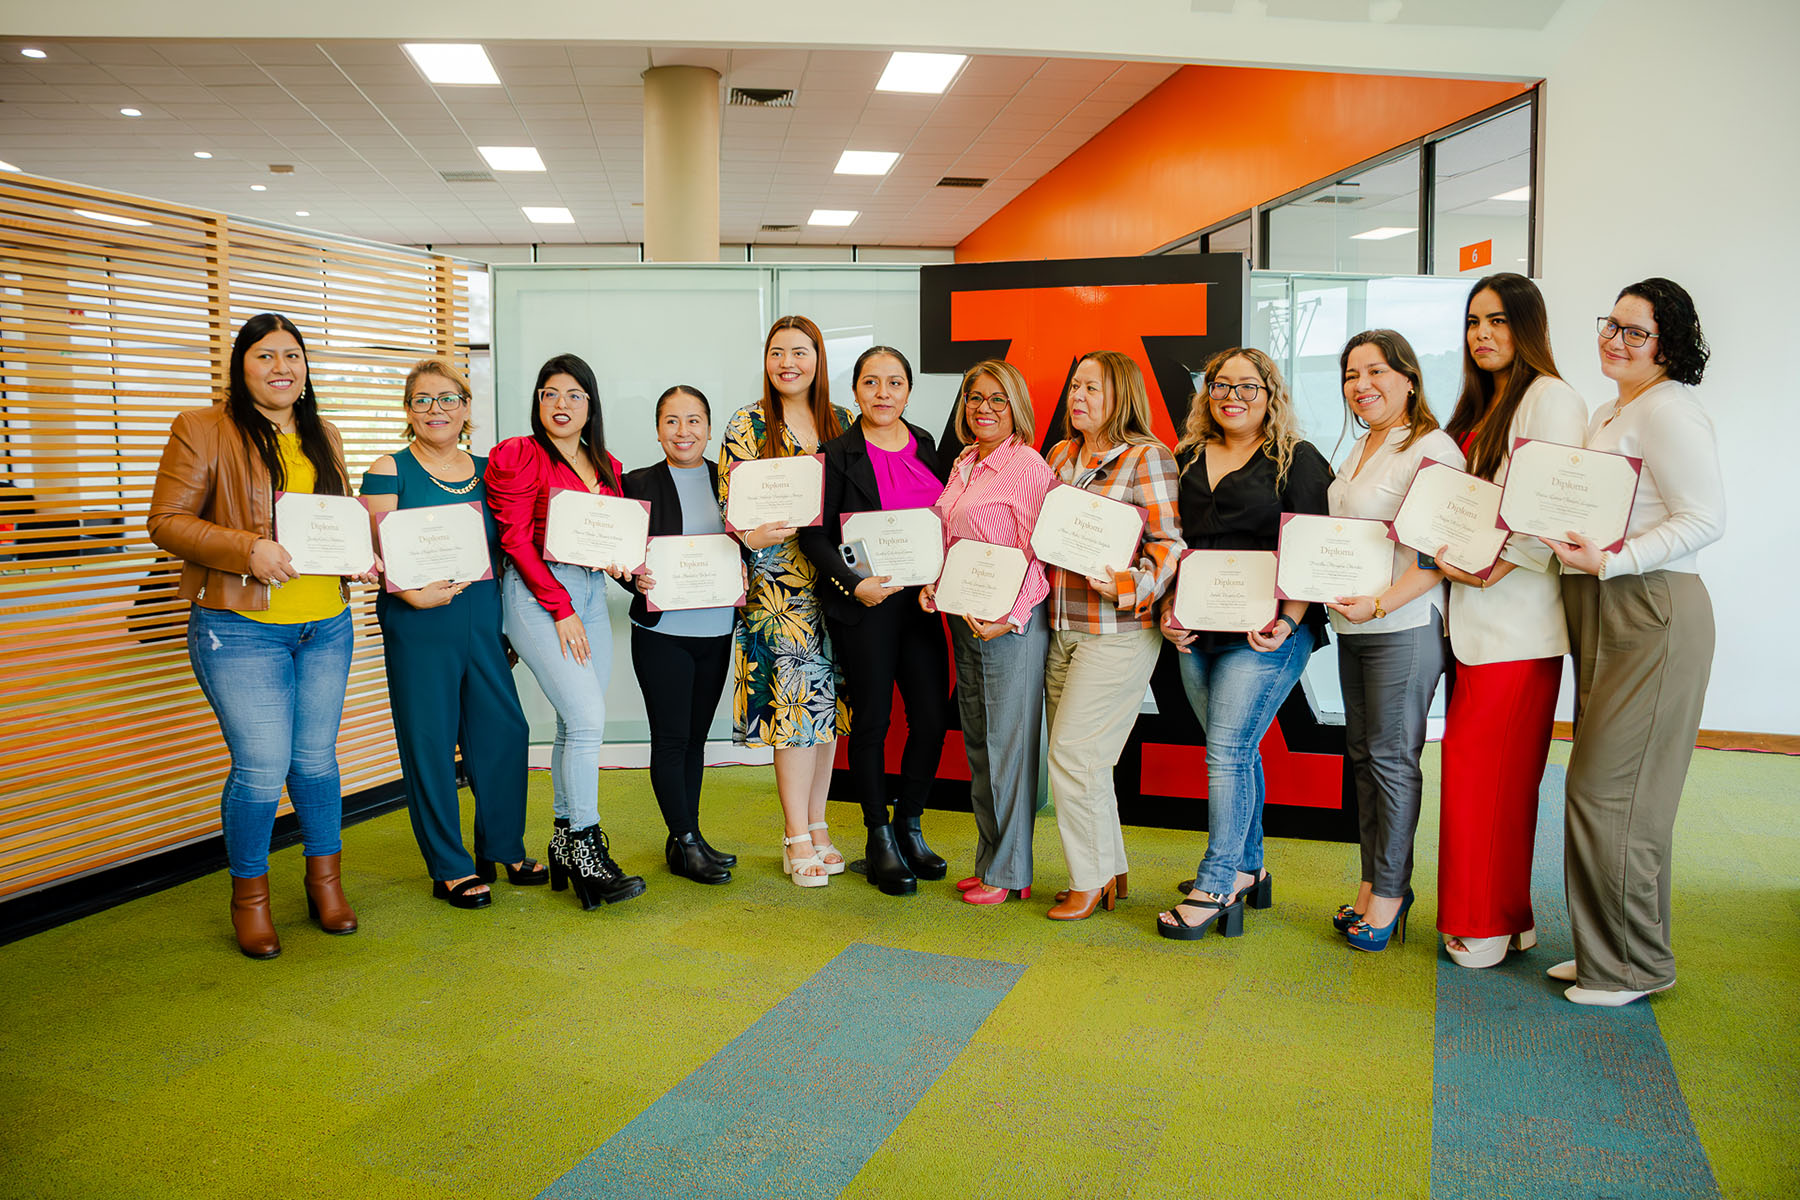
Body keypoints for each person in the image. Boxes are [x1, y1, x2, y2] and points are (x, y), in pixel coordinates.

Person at [147, 312, 377, 958]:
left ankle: (324, 884)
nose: (281, 368)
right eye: (265, 357)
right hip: (239, 625)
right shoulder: (203, 430)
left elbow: (333, 521)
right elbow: (164, 521)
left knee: (316, 762)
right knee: (261, 768)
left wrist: (361, 553)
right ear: (241, 367)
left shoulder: (322, 432)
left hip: (326, 624)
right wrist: (248, 549)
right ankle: (250, 898)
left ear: (306, 370)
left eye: (292, 357)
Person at [1543, 279, 1723, 1006]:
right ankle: (1606, 951)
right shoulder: (1612, 410)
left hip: (1651, 607)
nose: (1614, 342)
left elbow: (1705, 518)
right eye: (1609, 326)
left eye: (1635, 333)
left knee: (1609, 794)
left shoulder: (1672, 411)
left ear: (1668, 344)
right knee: (1612, 791)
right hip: (1599, 602)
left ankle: (1631, 967)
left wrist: (1614, 561)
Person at [1434, 272, 1587, 968]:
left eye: (1497, 320)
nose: (1482, 334)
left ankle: (1485, 923)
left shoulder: (1551, 398)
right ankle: (1511, 916)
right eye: (1473, 322)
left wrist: (1493, 566)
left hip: (1517, 619)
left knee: (1481, 777)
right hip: (1472, 617)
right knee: (1491, 779)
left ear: (1526, 326)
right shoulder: (1483, 402)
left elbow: (1552, 504)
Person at [1155, 348, 1330, 941]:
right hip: (1198, 631)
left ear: (1270, 394)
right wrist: (1167, 612)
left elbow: (1310, 545)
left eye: (1248, 387)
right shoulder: (1187, 456)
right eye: (1220, 385)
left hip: (1268, 632)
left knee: (1226, 750)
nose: (1232, 395)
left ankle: (1216, 881)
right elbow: (1171, 543)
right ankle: (1249, 869)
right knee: (1235, 748)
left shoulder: (1297, 460)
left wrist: (1290, 617)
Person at [361, 357, 537, 911]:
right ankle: (450, 866)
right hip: (420, 624)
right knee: (430, 745)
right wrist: (409, 593)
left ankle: (503, 847)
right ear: (408, 410)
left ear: (466, 409)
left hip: (482, 620)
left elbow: (510, 547)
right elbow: (373, 554)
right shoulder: (388, 469)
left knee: (504, 733)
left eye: (447, 399)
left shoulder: (492, 470)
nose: (435, 410)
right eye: (422, 400)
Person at [485, 353, 646, 911]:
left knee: (573, 725)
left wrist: (631, 565)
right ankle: (586, 848)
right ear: (537, 401)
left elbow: (607, 543)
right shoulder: (518, 453)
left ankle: (561, 836)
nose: (561, 404)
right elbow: (514, 540)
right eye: (549, 393)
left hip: (589, 596)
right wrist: (559, 608)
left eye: (574, 394)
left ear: (590, 405)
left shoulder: (606, 463)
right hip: (537, 596)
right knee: (586, 723)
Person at [1320, 331, 1458, 951]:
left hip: (1401, 622)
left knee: (1393, 758)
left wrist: (1377, 603)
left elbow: (1433, 558)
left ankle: (1392, 893)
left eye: (1376, 371)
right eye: (1351, 374)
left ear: (1408, 377)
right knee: (1362, 756)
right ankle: (1372, 881)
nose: (1361, 385)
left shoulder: (1432, 449)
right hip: (1357, 623)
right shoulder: (1358, 446)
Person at [797, 347, 951, 896]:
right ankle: (877, 835)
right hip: (866, 605)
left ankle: (910, 824)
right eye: (870, 383)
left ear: (908, 390)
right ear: (856, 391)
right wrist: (853, 583)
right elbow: (814, 535)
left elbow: (942, 527)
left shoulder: (929, 445)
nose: (882, 393)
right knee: (873, 722)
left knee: (932, 717)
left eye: (893, 383)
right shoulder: (836, 452)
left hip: (922, 605)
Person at [1041, 351, 1183, 921]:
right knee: (1088, 760)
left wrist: (1128, 583)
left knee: (1073, 756)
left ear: (1120, 394)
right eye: (1074, 386)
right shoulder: (1059, 455)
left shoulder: (1149, 458)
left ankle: (1089, 879)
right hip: (1060, 626)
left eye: (1091, 388)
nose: (1077, 396)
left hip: (1117, 629)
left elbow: (1169, 546)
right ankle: (1112, 869)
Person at [719, 315, 853, 887]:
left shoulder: (844, 422)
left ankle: (819, 825)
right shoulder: (747, 423)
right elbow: (729, 507)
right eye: (778, 352)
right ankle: (795, 834)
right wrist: (751, 536)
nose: (788, 362)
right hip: (778, 591)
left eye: (800, 351)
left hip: (838, 588)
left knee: (827, 716)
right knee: (796, 714)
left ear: (819, 359)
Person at [921, 359, 1056, 906]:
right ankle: (993, 860)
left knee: (1007, 745)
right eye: (975, 397)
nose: (984, 408)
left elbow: (1039, 556)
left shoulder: (1028, 466)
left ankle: (1010, 872)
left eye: (997, 399)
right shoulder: (964, 463)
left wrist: (1013, 616)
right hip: (965, 617)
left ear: (1016, 406)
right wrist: (934, 584)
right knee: (980, 743)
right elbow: (950, 538)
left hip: (1009, 626)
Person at [621, 385, 744, 886]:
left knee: (696, 740)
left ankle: (685, 838)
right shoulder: (635, 483)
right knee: (671, 738)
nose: (683, 431)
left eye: (693, 421)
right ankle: (687, 840)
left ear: (709, 428)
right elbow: (617, 553)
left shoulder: (732, 481)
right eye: (672, 421)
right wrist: (631, 575)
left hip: (716, 629)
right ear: (657, 429)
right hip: (662, 631)